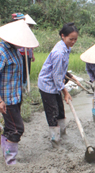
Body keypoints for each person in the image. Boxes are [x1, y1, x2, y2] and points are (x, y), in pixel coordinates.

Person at [0, 20, 39, 165]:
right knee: (17, 129)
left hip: (15, 96)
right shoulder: (2, 51)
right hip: (6, 99)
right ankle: (10, 161)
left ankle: (6, 152)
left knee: (11, 128)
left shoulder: (15, 50)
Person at [38, 22, 78, 147]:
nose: (73, 42)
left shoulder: (66, 48)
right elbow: (56, 76)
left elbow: (61, 69)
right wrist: (65, 92)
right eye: (71, 39)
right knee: (53, 113)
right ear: (63, 36)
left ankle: (63, 135)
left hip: (56, 83)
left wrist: (71, 77)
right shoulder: (59, 53)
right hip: (47, 85)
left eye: (75, 39)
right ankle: (55, 141)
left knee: (60, 111)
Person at [11, 13, 37, 91]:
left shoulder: (27, 30)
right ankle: (19, 87)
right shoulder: (12, 31)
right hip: (18, 53)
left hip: (27, 53)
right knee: (19, 71)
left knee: (26, 70)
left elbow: (31, 43)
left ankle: (24, 86)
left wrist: (32, 54)